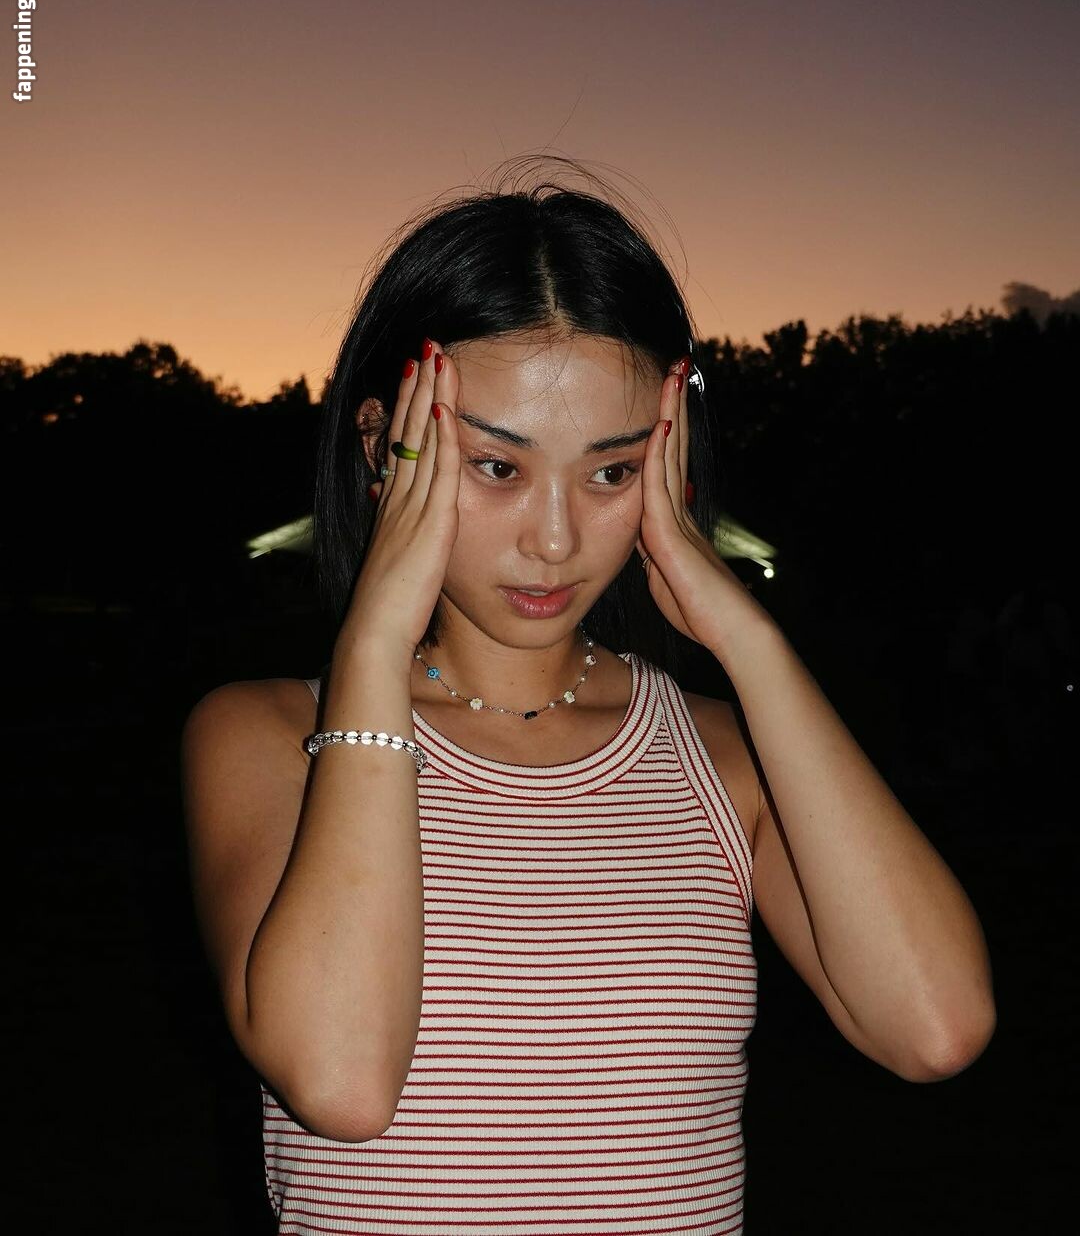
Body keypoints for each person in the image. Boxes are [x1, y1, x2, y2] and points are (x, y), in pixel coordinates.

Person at [181, 161, 996, 1235]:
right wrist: (376, 636)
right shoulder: (270, 737)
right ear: (384, 444)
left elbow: (933, 1028)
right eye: (497, 466)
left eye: (610, 472)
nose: (557, 539)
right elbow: (341, 1082)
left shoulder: (722, 754)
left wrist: (747, 640)